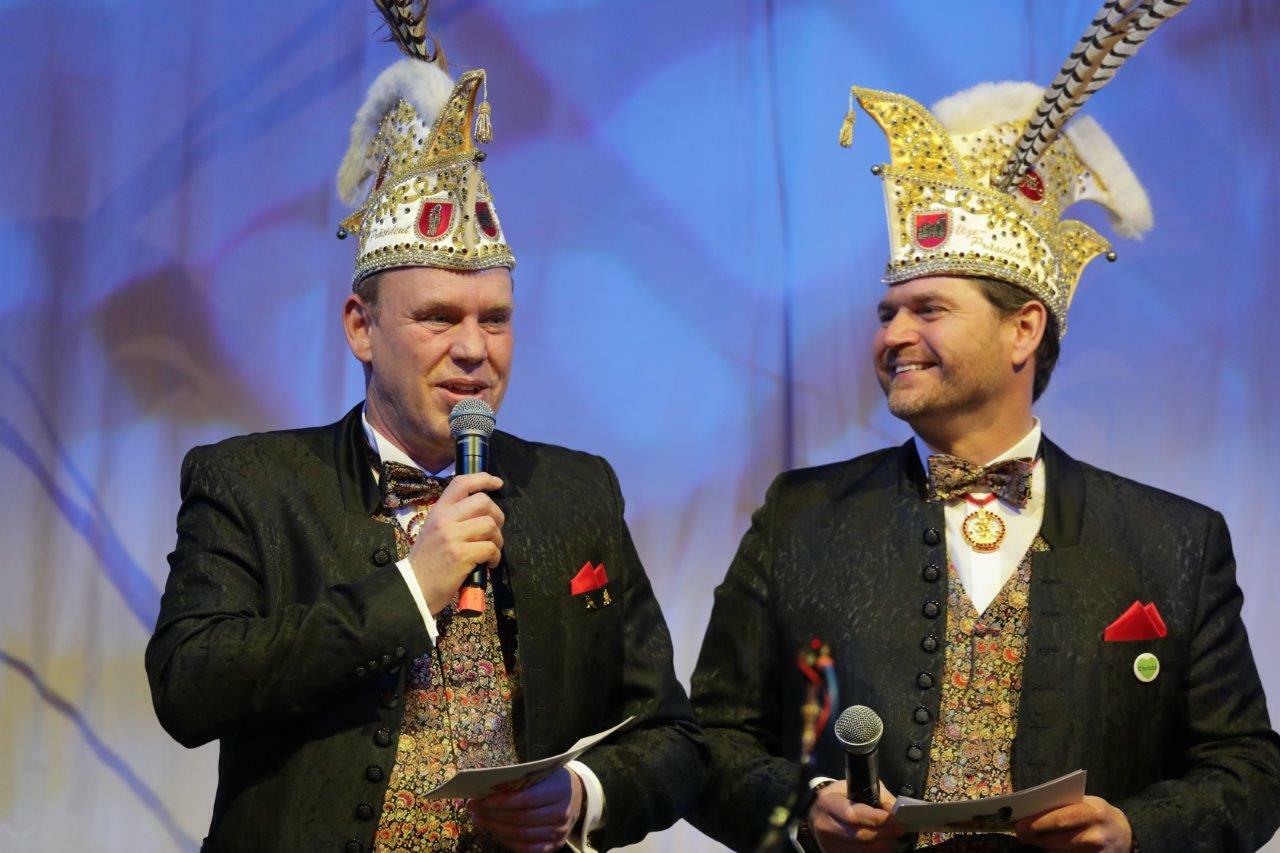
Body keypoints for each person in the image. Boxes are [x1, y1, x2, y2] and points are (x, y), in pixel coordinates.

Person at [688, 23, 1280, 853]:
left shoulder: (1173, 541)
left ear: (1022, 330)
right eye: (887, 312)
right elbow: (705, 740)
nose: (893, 335)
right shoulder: (802, 517)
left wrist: (1134, 830)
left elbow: (1249, 768)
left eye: (928, 310)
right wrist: (806, 808)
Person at [145, 6, 703, 851]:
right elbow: (188, 687)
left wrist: (582, 794)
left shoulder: (576, 489)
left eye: (495, 319)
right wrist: (413, 586)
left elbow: (674, 738)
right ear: (360, 327)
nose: (474, 349)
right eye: (439, 317)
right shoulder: (253, 482)